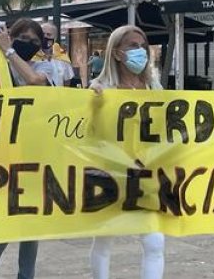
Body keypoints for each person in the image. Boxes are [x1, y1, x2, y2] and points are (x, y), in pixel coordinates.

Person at [0, 19, 69, 279]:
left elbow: (34, 81)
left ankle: (25, 275)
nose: (29, 44)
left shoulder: (45, 67)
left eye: (35, 42)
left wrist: (10, 51)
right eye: (23, 38)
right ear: (10, 36)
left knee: (32, 217)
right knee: (10, 212)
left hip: (36, 151)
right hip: (1, 151)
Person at [85, 24, 166, 279]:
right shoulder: (101, 87)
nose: (140, 51)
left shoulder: (154, 87)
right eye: (133, 46)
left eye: (143, 46)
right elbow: (88, 130)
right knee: (105, 239)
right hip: (110, 171)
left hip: (146, 172)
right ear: (117, 53)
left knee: (154, 241)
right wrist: (92, 102)